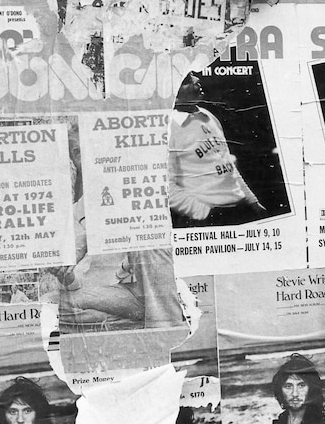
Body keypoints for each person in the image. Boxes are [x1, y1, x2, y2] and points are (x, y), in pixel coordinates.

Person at [169, 72, 267, 227]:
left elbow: (228, 166)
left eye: (193, 76)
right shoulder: (167, 128)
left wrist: (251, 200)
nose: (197, 80)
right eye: (188, 80)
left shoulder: (208, 116)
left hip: (241, 209)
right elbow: (165, 187)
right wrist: (205, 213)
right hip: (207, 218)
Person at [49, 248, 185, 332]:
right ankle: (135, 326)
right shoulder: (88, 212)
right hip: (122, 294)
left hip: (162, 292)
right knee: (49, 304)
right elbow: (76, 280)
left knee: (151, 244)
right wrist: (67, 276)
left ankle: (160, 329)